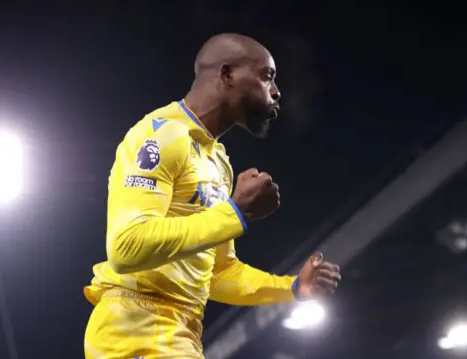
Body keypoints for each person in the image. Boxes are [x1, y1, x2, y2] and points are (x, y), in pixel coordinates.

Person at [84, 33, 341, 359]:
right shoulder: (161, 134)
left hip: (180, 331)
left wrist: (292, 288)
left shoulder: (218, 161)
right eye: (267, 76)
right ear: (227, 74)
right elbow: (125, 247)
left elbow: (218, 272)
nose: (276, 92)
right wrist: (235, 213)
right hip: (135, 327)